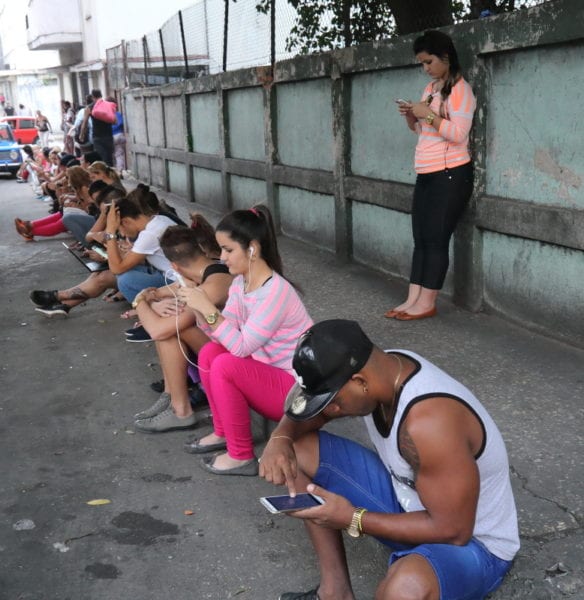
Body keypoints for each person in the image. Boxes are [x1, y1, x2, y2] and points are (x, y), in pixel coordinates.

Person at [260, 319, 519, 600]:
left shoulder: (429, 424)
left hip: (472, 543)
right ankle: (335, 593)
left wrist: (352, 518)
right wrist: (280, 438)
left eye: (332, 401)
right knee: (294, 450)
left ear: (360, 382)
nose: (331, 411)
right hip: (410, 505)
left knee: (404, 588)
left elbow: (453, 530)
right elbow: (308, 413)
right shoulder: (380, 367)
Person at [175, 205, 313, 476]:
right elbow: (223, 333)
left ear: (252, 249)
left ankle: (241, 455)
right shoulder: (241, 283)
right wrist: (199, 309)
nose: (222, 258)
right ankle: (224, 432)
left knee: (225, 364)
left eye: (228, 250)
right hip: (271, 371)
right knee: (210, 353)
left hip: (298, 390)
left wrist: (209, 309)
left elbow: (240, 346)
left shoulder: (275, 292)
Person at [385, 30, 476, 322]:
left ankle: (427, 302)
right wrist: (414, 117)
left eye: (429, 61)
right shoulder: (430, 89)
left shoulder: (461, 90)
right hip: (426, 172)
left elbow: (459, 134)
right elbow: (425, 132)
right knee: (421, 239)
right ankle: (412, 298)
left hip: (451, 175)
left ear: (445, 57)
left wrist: (427, 115)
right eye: (422, 63)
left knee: (436, 239)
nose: (425, 68)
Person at [132, 220, 233, 433]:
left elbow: (157, 329)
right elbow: (159, 292)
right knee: (171, 325)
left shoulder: (214, 283)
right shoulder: (202, 274)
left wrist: (139, 302)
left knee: (173, 328)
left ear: (174, 267)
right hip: (221, 348)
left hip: (235, 355)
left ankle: (180, 409)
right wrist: (155, 302)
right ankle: (172, 397)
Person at [103, 197, 177, 302]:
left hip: (175, 281)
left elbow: (116, 269)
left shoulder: (149, 234)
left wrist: (110, 232)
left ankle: (148, 311)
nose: (122, 234)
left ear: (125, 222)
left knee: (125, 280)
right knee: (127, 271)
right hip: (168, 274)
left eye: (119, 230)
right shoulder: (159, 219)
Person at [81, 89, 114, 166]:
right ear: (101, 95)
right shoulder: (108, 105)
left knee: (101, 158)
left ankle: (103, 175)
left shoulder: (89, 107)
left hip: (97, 136)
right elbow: (113, 118)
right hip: (109, 135)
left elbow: (85, 122)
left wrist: (81, 134)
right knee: (109, 158)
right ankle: (110, 175)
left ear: (92, 97)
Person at [112, 105, 126, 172]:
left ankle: (113, 171)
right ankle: (119, 171)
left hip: (109, 137)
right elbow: (120, 123)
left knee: (111, 155)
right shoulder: (117, 114)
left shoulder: (105, 115)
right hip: (119, 135)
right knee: (119, 154)